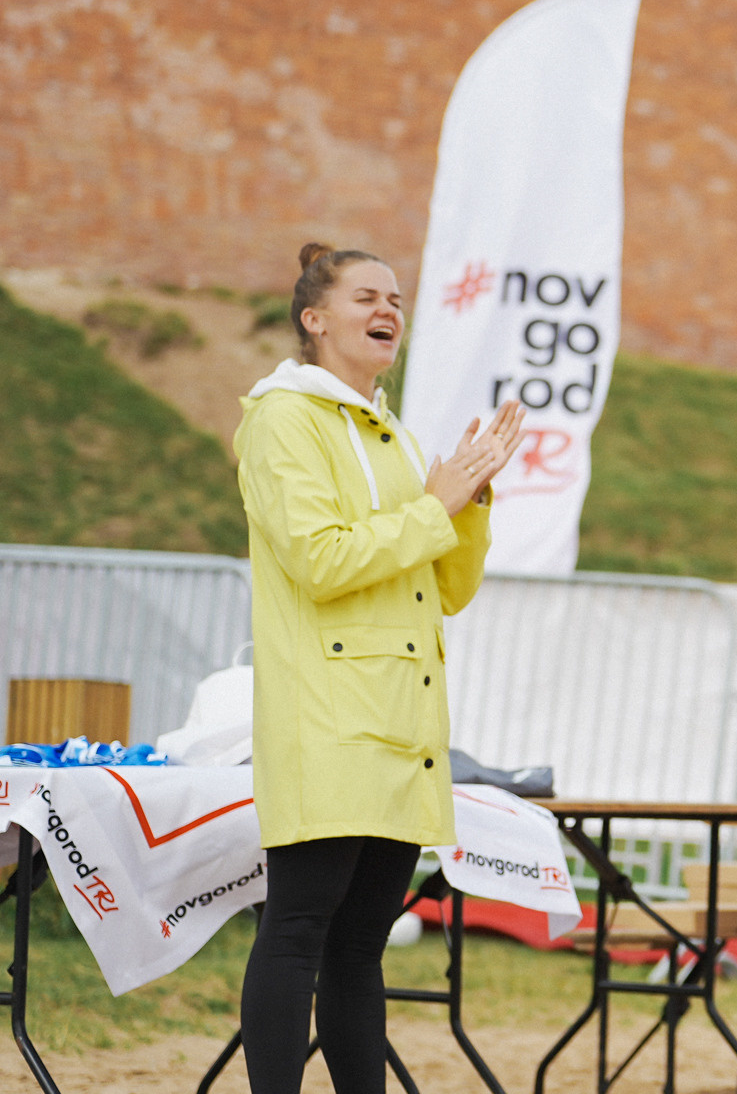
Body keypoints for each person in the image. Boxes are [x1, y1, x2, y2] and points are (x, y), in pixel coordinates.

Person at [234, 244, 525, 1094]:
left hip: (403, 726)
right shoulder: (283, 419)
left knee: (360, 949)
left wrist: (469, 504)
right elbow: (320, 561)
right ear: (314, 319)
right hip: (327, 718)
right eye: (367, 295)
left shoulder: (391, 430)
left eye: (396, 297)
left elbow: (448, 588)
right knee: (296, 932)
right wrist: (438, 505)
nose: (389, 308)